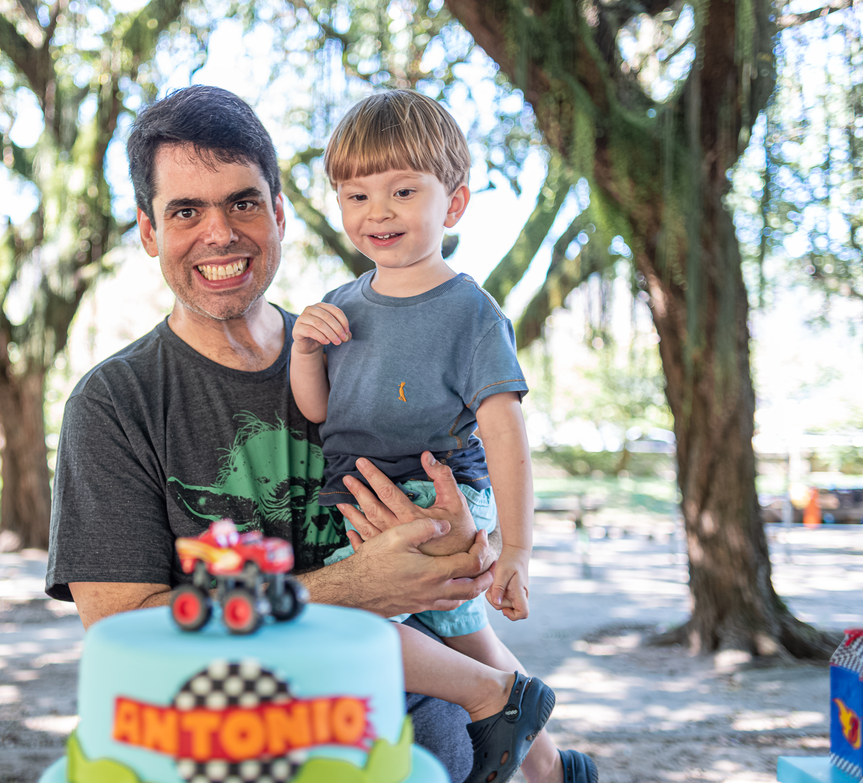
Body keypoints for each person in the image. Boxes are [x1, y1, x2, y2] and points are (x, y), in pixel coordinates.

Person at [46, 84, 530, 783]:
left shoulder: (356, 348)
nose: (219, 233)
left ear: (278, 214)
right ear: (149, 232)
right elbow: (123, 631)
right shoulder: (114, 404)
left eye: (242, 202)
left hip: (390, 711)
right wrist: (352, 585)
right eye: (185, 211)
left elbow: (469, 485)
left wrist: (465, 548)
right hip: (218, 728)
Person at [289, 89, 597, 783]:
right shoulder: (340, 304)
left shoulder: (470, 313)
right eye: (356, 195)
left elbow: (505, 434)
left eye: (403, 190)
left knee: (337, 618)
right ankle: (554, 768)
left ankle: (491, 701)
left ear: (452, 204)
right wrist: (304, 349)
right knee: (464, 631)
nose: (378, 212)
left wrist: (515, 549)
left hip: (437, 496)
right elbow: (317, 410)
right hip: (365, 499)